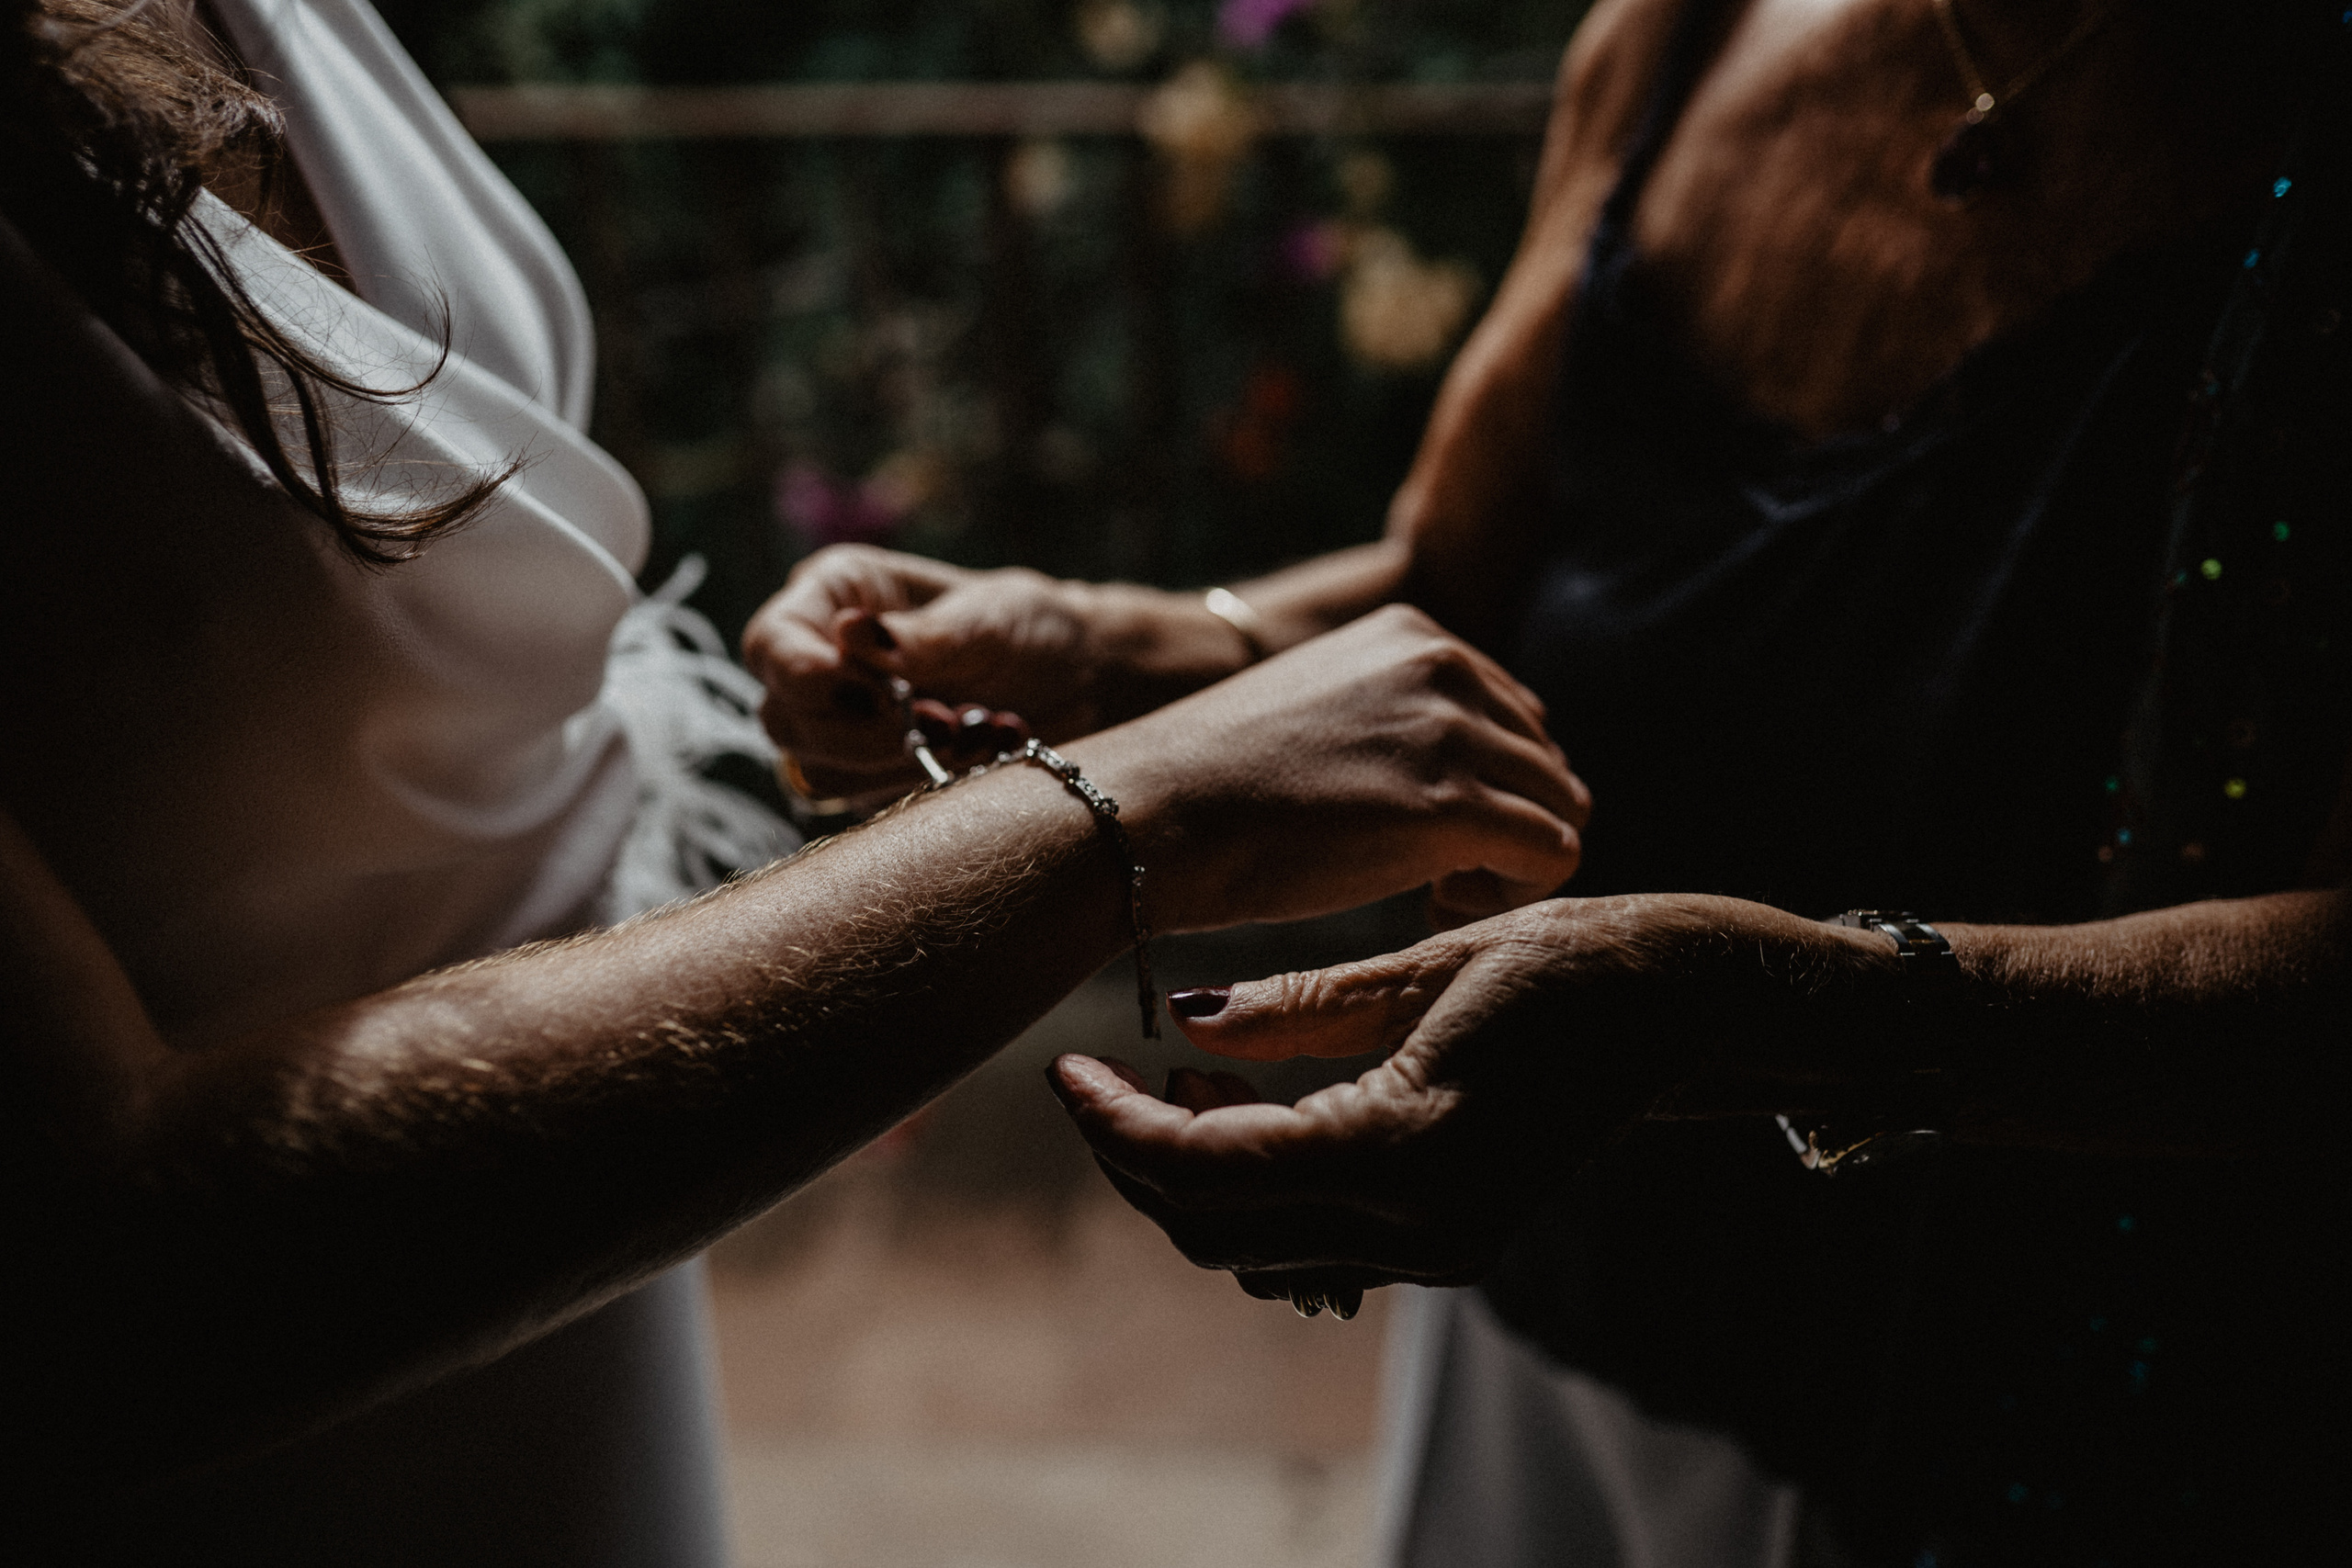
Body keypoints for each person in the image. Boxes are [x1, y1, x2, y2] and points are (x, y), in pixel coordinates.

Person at [751, 1, 2351, 1562]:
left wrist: (1746, 1013)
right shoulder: (1683, 34)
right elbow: (1476, 578)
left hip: (2017, 1392)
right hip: (1546, 1258)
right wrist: (1102, 644)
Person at [0, 1, 1592, 1561]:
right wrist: (1120, 821)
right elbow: (96, 1273)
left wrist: (1093, 667)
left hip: (569, 1299)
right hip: (285, 1419)